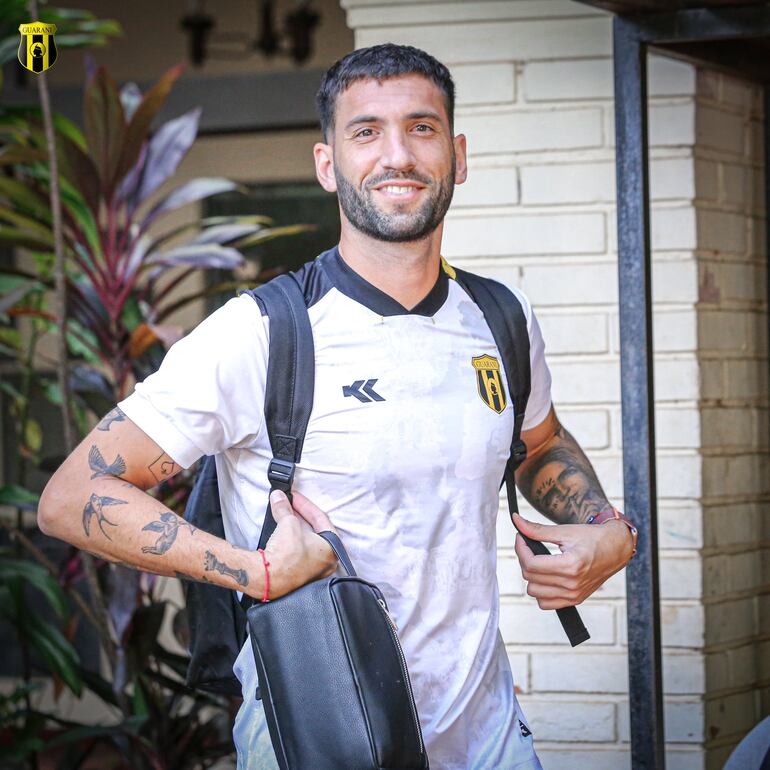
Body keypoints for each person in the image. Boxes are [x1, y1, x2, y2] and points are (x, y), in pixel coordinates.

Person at [39, 44, 637, 770]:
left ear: (458, 156)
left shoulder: (502, 318)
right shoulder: (261, 332)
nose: (398, 155)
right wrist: (253, 571)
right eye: (366, 132)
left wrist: (609, 531)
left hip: (488, 741)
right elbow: (73, 496)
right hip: (314, 742)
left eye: (422, 128)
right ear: (328, 164)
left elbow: (536, 444)